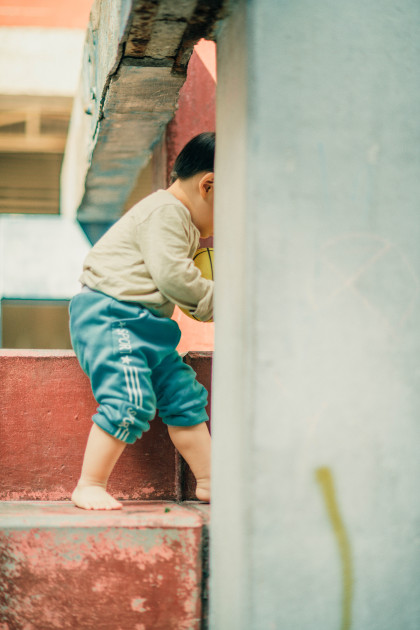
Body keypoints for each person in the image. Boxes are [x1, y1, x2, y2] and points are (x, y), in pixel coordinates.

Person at [69, 132, 215, 510]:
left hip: (149, 326)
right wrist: (220, 301)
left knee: (184, 397)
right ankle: (89, 484)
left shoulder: (180, 220)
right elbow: (174, 277)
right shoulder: (166, 211)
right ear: (208, 185)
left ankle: (211, 480)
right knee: (129, 398)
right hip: (112, 314)